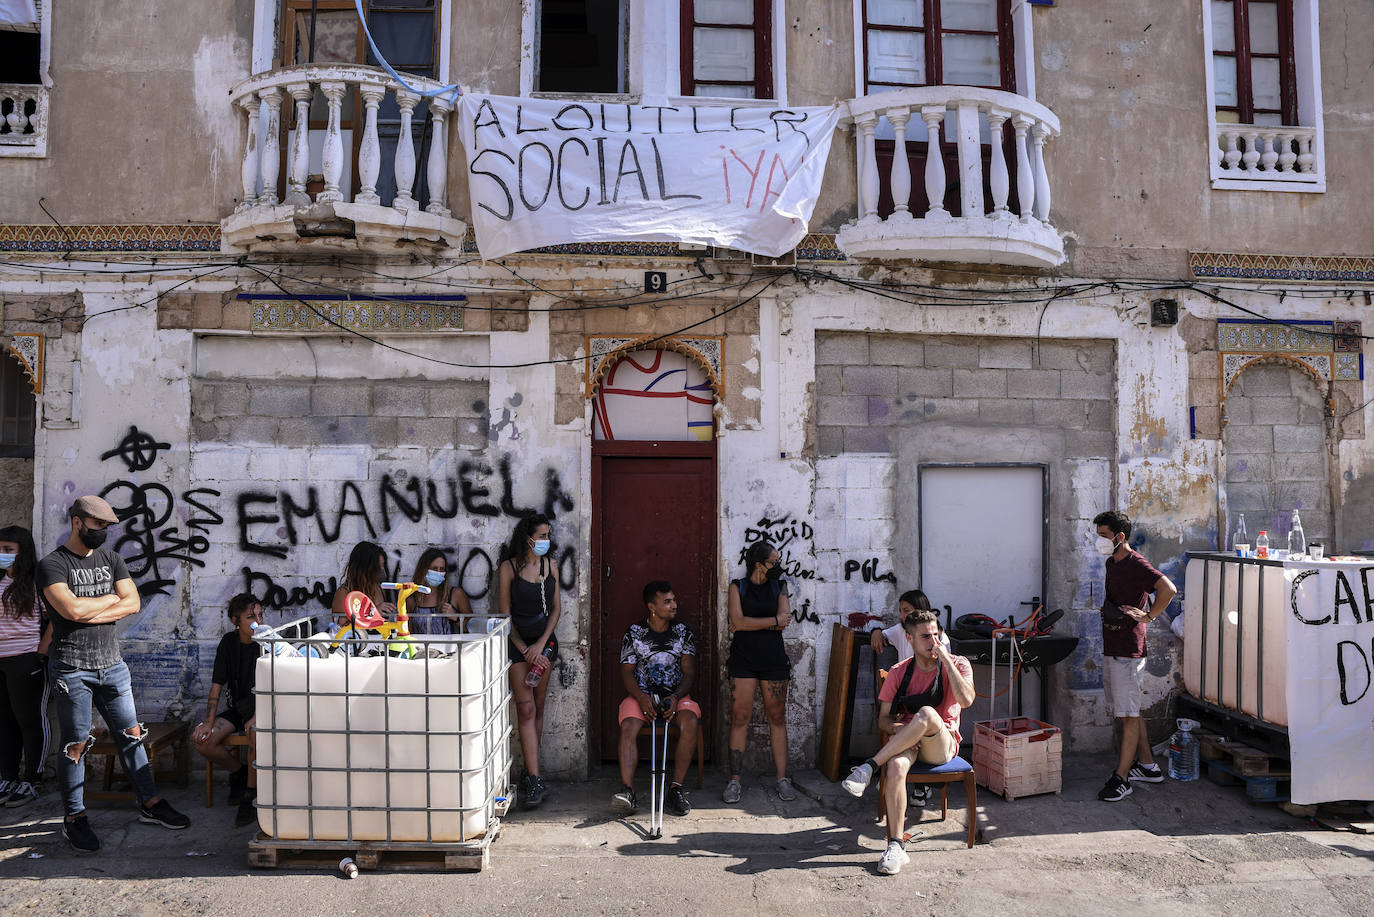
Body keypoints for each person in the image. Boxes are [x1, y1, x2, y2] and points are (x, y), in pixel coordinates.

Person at [39, 496, 190, 853]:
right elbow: (71, 610)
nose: (103, 532)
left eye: (107, 526)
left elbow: (133, 602)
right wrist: (109, 601)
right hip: (71, 667)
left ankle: (150, 803)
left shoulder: (112, 560)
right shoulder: (52, 565)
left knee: (132, 735)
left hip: (112, 665)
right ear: (78, 522)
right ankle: (74, 819)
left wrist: (91, 607)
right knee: (75, 745)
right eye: (97, 526)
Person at [841, 610, 975, 875]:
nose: (932, 641)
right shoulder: (899, 671)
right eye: (925, 636)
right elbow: (882, 720)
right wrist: (899, 728)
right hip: (909, 740)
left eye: (936, 635)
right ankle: (895, 846)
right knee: (895, 767)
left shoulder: (958, 664)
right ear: (909, 639)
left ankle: (869, 766)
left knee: (926, 714)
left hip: (942, 743)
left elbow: (966, 700)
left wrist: (945, 658)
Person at [1092, 510, 1177, 802]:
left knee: (1127, 716)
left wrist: (1150, 616)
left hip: (1129, 650)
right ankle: (1149, 766)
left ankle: (1122, 779)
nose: (1099, 541)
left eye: (1103, 535)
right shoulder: (1111, 563)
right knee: (1130, 710)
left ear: (1120, 536)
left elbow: (1168, 588)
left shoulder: (1137, 563)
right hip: (1112, 646)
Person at [613, 580, 699, 818]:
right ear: (652, 606)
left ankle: (675, 790)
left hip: (676, 694)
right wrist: (641, 697)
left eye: (674, 600)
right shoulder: (634, 633)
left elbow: (689, 672)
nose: (674, 605)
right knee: (629, 725)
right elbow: (627, 671)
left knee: (690, 721)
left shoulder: (683, 633)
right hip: (641, 694)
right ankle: (628, 791)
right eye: (667, 602)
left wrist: (675, 697)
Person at [724, 540, 796, 804]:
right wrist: (771, 621)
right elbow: (737, 620)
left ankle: (782, 779)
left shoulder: (780, 585)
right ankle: (734, 781)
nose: (778, 566)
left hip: (774, 660)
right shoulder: (737, 587)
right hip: (743, 660)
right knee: (740, 716)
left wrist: (749, 625)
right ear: (759, 564)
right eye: (773, 562)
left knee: (777, 717)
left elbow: (784, 621)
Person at [497, 513, 561, 808]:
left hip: (544, 645)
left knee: (538, 706)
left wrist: (540, 644)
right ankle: (535, 778)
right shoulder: (509, 568)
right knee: (525, 708)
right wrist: (524, 648)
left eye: (548, 535)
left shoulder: (551, 566)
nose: (546, 541)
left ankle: (531, 772)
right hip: (517, 646)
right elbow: (504, 614)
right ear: (528, 538)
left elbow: (557, 610)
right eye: (542, 536)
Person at [192, 593, 262, 828]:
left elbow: (274, 687)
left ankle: (250, 794)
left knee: (255, 731)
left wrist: (256, 716)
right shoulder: (228, 644)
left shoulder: (267, 644)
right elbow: (217, 685)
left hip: (260, 709)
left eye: (260, 615)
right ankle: (239, 772)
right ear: (236, 621)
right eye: (251, 617)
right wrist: (208, 722)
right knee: (204, 741)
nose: (258, 622)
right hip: (237, 709)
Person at [0, 525, 50, 808]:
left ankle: (32, 779)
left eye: (9, 550)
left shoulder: (35, 582)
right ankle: (7, 777)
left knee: (30, 721)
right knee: (4, 723)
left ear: (23, 552)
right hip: (1, 662)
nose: (2, 555)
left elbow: (53, 620)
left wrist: (39, 655)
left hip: (25, 659)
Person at [405, 547, 474, 636]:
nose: (438, 572)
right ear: (424, 569)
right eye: (434, 568)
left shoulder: (455, 594)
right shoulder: (412, 599)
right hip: (422, 649)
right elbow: (407, 633)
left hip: (450, 649)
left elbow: (471, 628)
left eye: (442, 569)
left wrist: (456, 617)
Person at [868, 589, 950, 662]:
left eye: (906, 611)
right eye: (901, 611)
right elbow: (882, 635)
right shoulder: (900, 630)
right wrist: (876, 631)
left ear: (920, 610)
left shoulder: (941, 638)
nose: (902, 616)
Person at [329, 541, 395, 625]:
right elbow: (339, 628)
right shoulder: (344, 593)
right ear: (364, 569)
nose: (381, 571)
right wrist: (371, 613)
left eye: (382, 566)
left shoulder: (378, 588)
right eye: (377, 567)